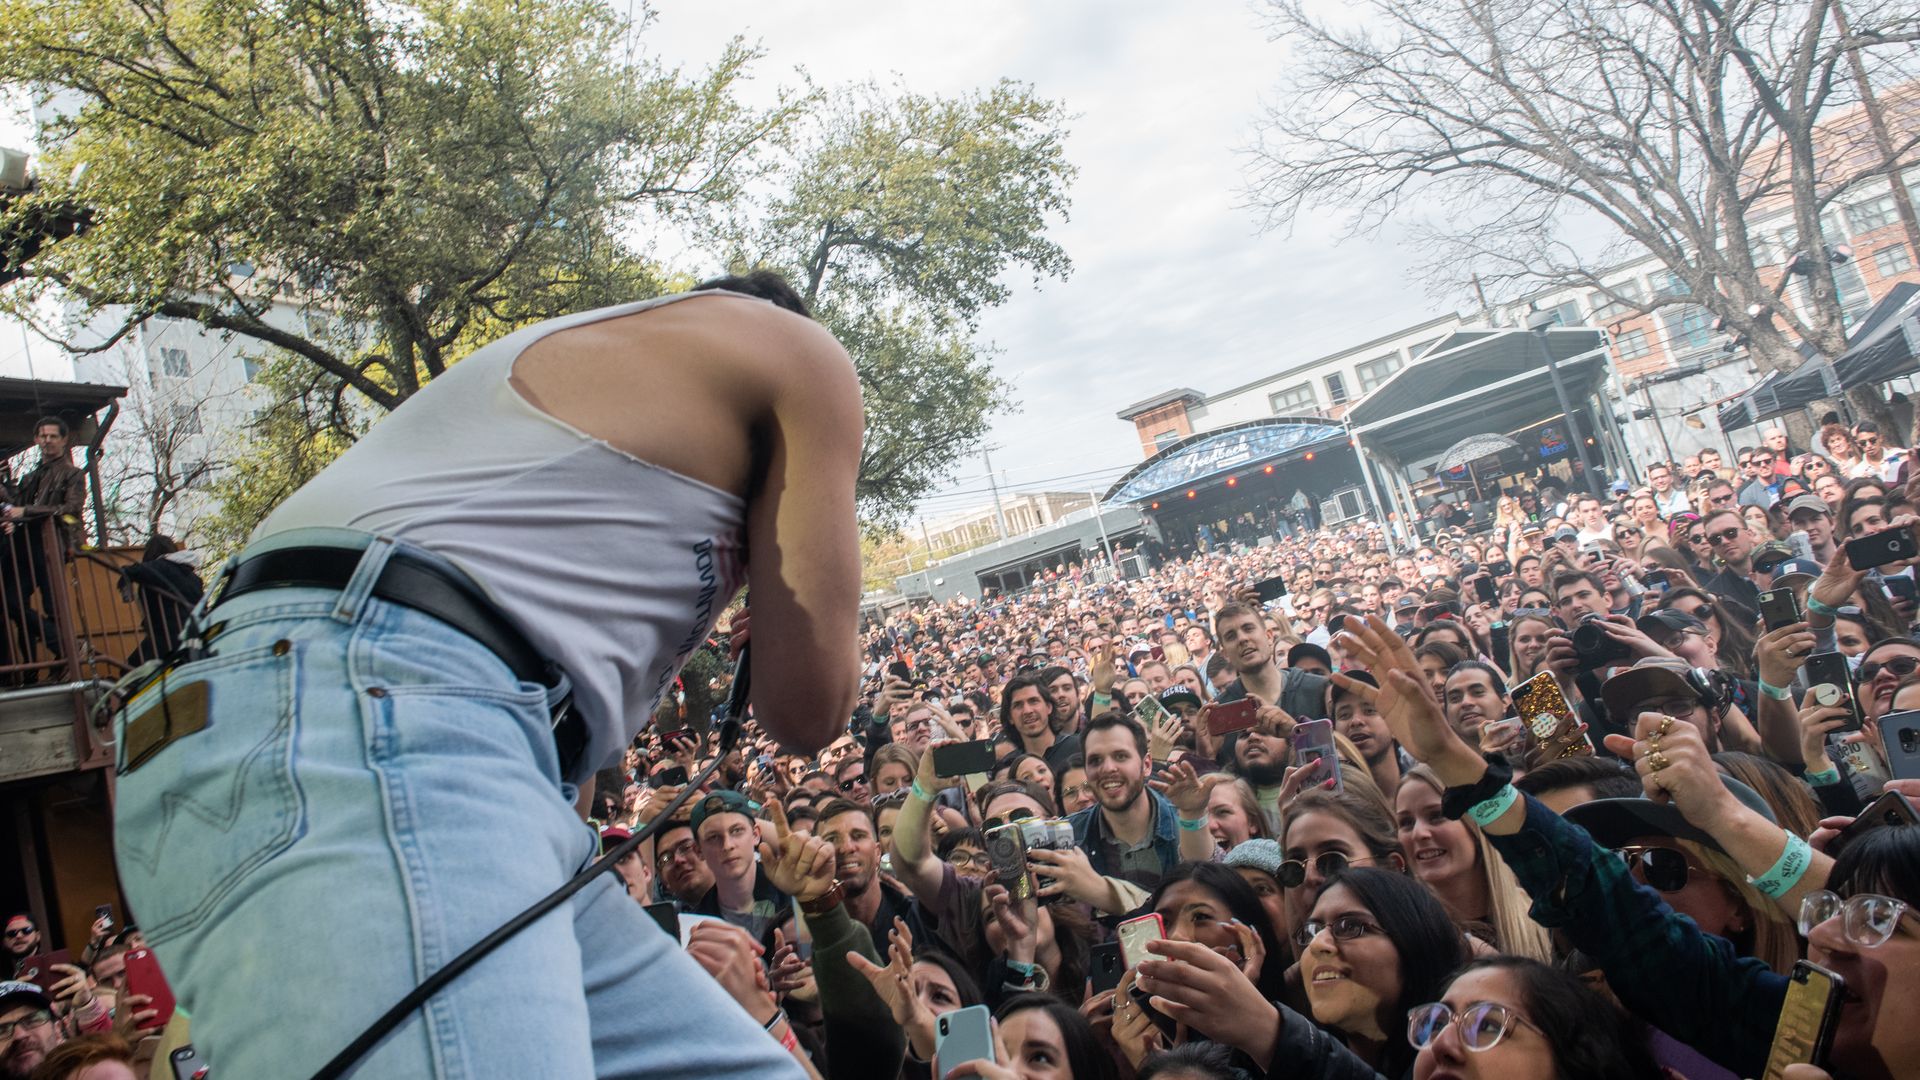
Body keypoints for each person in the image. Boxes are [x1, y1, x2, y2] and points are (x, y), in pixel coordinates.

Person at [109, 275, 868, 1077]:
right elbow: (809, 711)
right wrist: (784, 587)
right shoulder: (799, 351)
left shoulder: (572, 442)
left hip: (307, 716)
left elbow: (563, 772)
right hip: (374, 707)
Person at [2, 417, 87, 666]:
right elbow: (15, 509)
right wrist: (12, 517)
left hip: (50, 547)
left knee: (54, 607)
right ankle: (63, 646)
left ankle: (64, 659)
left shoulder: (73, 474)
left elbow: (71, 508)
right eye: (43, 436)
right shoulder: (29, 477)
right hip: (23, 547)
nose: (47, 440)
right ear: (37, 440)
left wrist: (25, 513)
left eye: (52, 436)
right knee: (10, 602)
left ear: (63, 440)